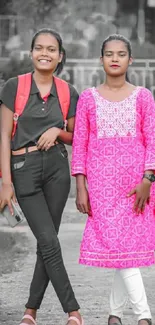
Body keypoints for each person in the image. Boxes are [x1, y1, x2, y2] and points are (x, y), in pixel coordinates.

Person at [0, 28, 83, 325]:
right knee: (48, 239)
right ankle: (73, 310)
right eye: (39, 48)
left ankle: (30, 312)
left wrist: (57, 131)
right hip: (24, 171)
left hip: (57, 171)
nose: (44, 53)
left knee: (47, 243)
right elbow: (3, 137)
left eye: (51, 49)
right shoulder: (14, 86)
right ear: (32, 52)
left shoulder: (67, 92)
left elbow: (76, 136)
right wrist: (6, 183)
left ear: (60, 56)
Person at [71, 34, 155, 325]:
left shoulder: (143, 96)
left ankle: (119, 315)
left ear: (130, 60)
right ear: (102, 59)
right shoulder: (88, 98)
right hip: (102, 186)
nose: (115, 58)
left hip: (136, 184)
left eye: (121, 54)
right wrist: (81, 185)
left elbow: (152, 140)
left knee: (125, 248)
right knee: (121, 247)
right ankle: (141, 316)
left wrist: (148, 178)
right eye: (109, 54)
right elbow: (80, 143)